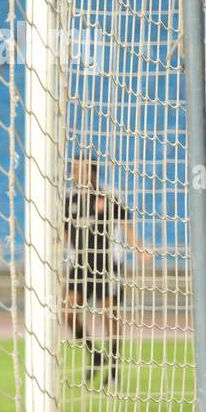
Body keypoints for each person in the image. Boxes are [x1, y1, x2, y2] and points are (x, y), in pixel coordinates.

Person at [63, 156, 147, 387]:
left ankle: (113, 368)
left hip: (108, 265)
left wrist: (140, 250)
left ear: (92, 172)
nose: (76, 174)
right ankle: (94, 353)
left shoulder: (108, 197)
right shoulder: (69, 202)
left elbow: (126, 227)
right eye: (73, 170)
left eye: (81, 169)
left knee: (110, 315)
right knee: (68, 312)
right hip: (79, 266)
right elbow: (64, 235)